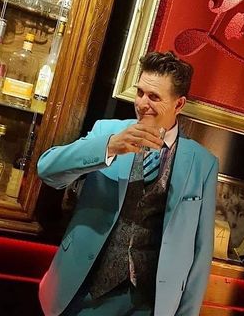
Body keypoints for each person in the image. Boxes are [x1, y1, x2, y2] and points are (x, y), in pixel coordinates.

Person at [37, 51, 219, 316]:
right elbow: (47, 170)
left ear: (179, 104)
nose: (143, 103)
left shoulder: (203, 163)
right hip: (86, 289)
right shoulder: (107, 132)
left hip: (151, 303)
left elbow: (201, 251)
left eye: (154, 97)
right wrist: (110, 147)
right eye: (140, 92)